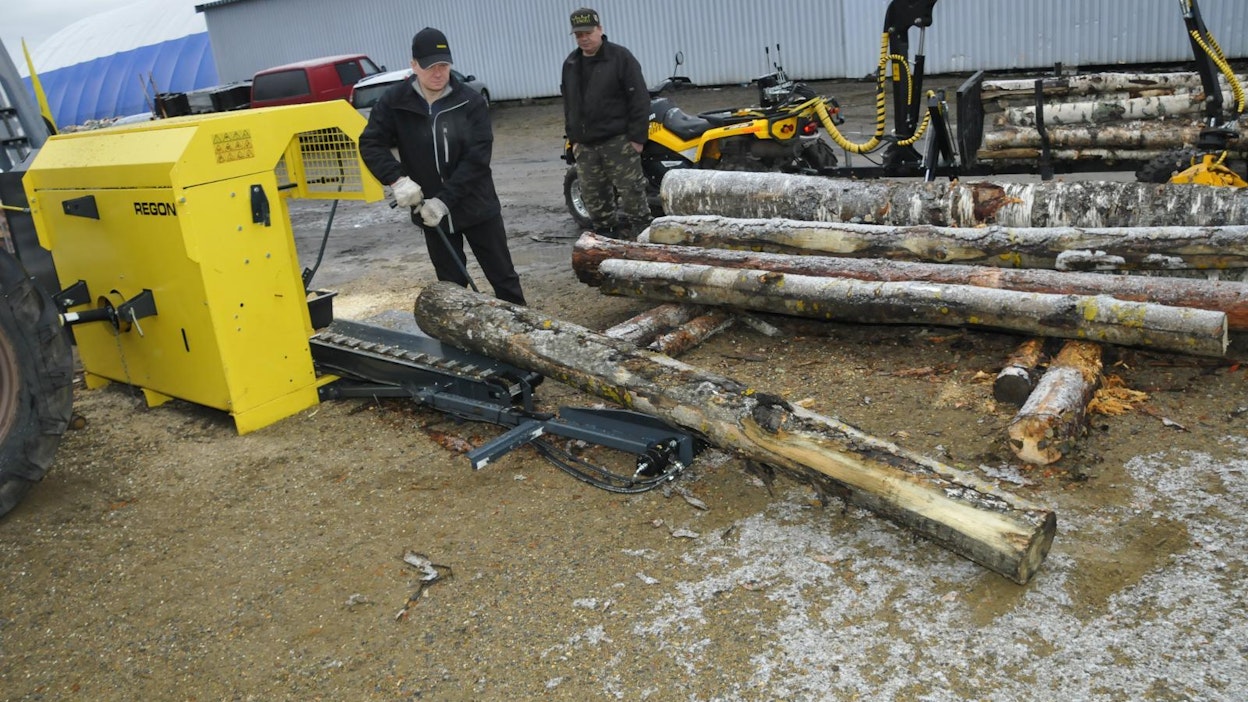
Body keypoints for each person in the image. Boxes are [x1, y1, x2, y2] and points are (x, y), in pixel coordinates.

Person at [360, 26, 526, 305]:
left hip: (477, 206)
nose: (438, 73)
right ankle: (459, 329)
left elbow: (477, 159)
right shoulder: (395, 102)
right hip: (428, 212)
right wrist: (397, 180)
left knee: (503, 278)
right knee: (451, 286)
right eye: (430, 67)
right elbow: (370, 143)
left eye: (444, 66)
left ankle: (522, 326)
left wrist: (444, 201)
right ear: (414, 65)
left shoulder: (469, 101)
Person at [560, 8, 651, 239]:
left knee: (632, 195)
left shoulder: (621, 58)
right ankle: (606, 240)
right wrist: (573, 138)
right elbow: (569, 103)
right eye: (579, 35)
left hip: (618, 142)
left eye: (588, 33)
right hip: (586, 146)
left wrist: (637, 138)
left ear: (600, 29)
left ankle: (645, 240)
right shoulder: (571, 63)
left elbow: (639, 99)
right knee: (595, 199)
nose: (584, 39)